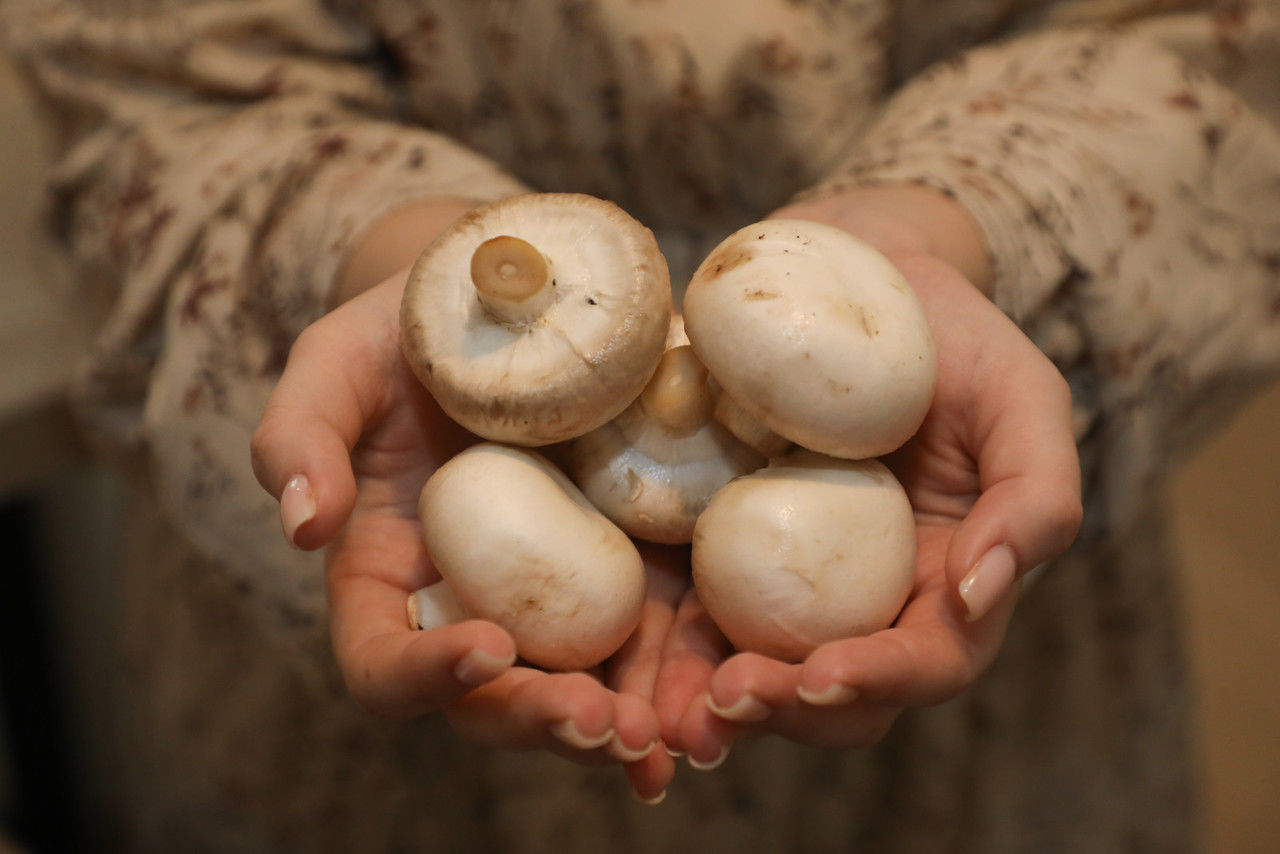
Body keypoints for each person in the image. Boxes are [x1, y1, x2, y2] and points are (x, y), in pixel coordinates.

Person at [3, 0, 1278, 850]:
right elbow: (138, 83)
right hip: (355, 735)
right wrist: (385, 250)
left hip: (972, 671)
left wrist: (937, 230)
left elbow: (1200, 39)